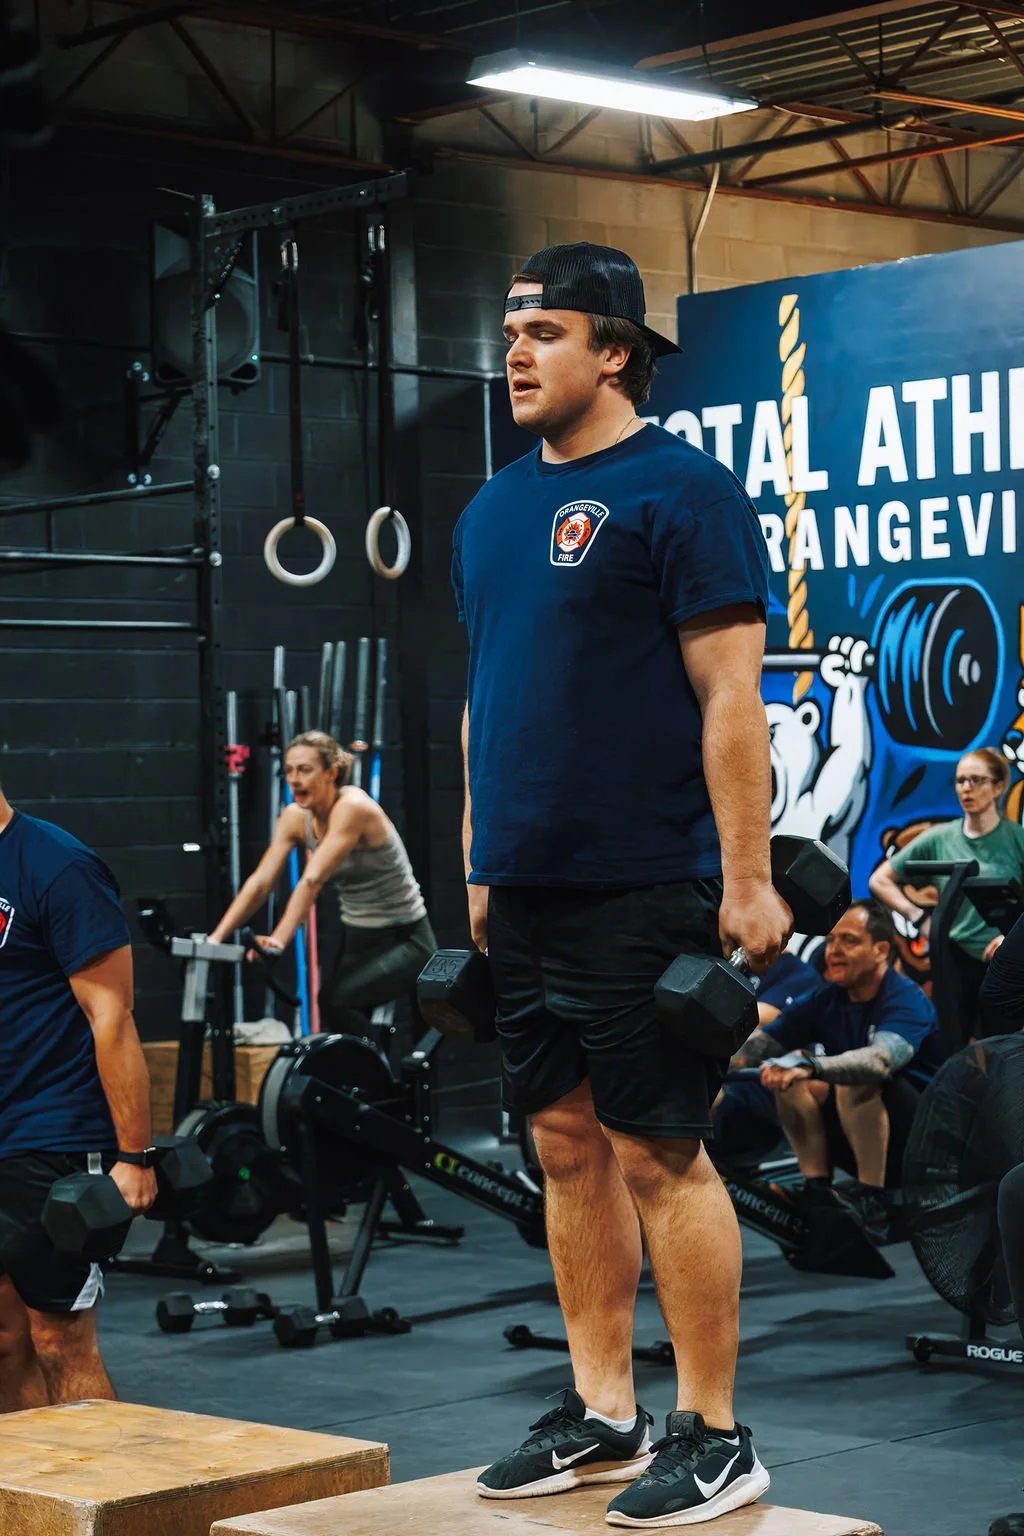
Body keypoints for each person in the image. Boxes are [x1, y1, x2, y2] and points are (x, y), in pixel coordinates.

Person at [455, 241, 790, 1528]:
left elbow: (729, 698)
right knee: (558, 1144)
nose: (518, 353)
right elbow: (487, 704)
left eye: (544, 330)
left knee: (660, 1150)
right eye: (509, 333)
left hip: (644, 876)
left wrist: (746, 878)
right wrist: (482, 858)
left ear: (615, 350)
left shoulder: (681, 492)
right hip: (526, 884)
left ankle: (715, 1432)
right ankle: (602, 1411)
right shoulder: (488, 510)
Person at [0, 783, 156, 1410]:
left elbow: (112, 1017)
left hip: (51, 1134)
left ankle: (113, 1507)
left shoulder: (57, 865)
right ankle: (28, 1504)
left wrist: (136, 1156)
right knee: (3, 1336)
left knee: (57, 1336)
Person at [735, 901, 940, 1242]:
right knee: (791, 1081)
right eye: (831, 941)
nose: (835, 951)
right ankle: (818, 1190)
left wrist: (812, 1066)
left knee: (854, 1079)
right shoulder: (825, 999)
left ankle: (875, 1200)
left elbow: (880, 1061)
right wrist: (706, 1062)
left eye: (849, 941)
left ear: (881, 950)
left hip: (927, 1142)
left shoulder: (905, 998)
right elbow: (759, 1048)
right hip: (870, 1137)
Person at [210, 732, 435, 1030]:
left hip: (406, 939)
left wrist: (277, 941)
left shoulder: (353, 806)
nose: (294, 779)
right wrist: (215, 939)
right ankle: (365, 1071)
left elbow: (312, 879)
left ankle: (375, 1074)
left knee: (337, 1001)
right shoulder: (294, 818)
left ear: (331, 772)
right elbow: (261, 883)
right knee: (336, 1012)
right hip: (357, 936)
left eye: (304, 769)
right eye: (289, 770)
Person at [870, 749, 1024, 1045]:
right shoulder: (940, 839)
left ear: (998, 786)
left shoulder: (1016, 839)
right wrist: (920, 919)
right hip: (955, 956)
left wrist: (1012, 941)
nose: (966, 789)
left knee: (1002, 1045)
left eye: (976, 780)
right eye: (961, 781)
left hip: (1003, 957)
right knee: (955, 1043)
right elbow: (880, 880)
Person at [711, 949, 826, 1169]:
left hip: (758, 1087)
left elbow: (747, 1025)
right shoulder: (725, 962)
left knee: (691, 1091)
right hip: (719, 1074)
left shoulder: (799, 976)